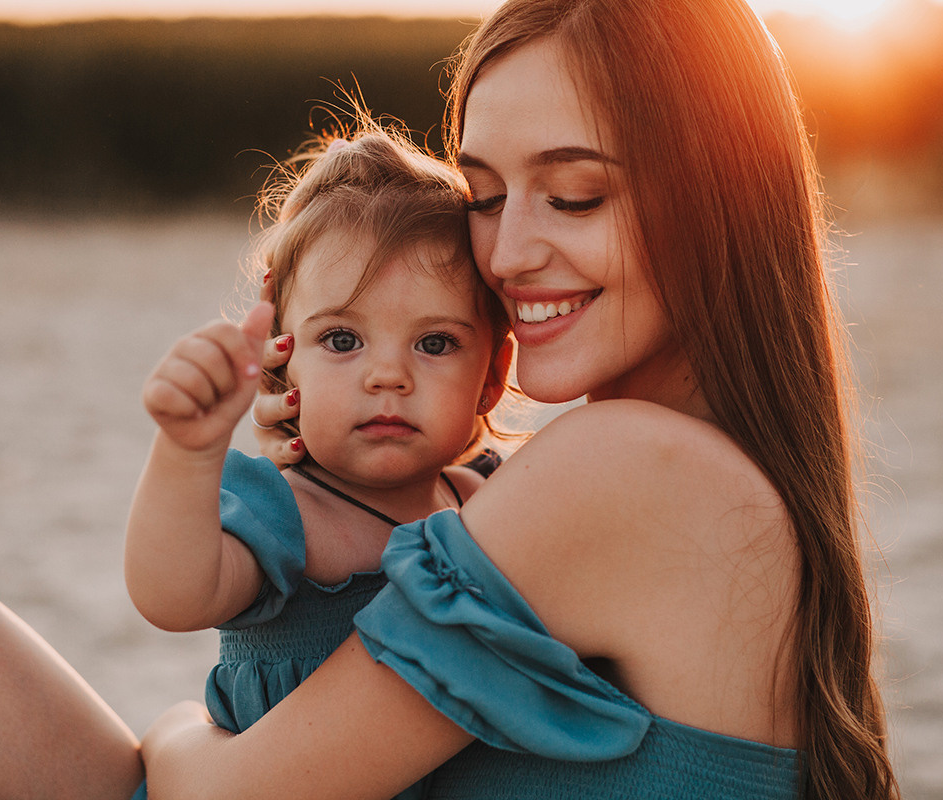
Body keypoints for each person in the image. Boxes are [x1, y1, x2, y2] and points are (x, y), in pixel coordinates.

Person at [141, 1, 899, 799]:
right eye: (484, 197)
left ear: (718, 197)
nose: (506, 255)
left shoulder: (627, 469)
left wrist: (174, 733)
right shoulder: (706, 472)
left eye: (573, 195)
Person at [123, 124, 512, 800]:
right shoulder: (287, 512)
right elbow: (172, 595)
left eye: (436, 343)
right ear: (282, 349)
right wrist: (189, 451)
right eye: (342, 339)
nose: (387, 375)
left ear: (493, 373)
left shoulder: (496, 500)